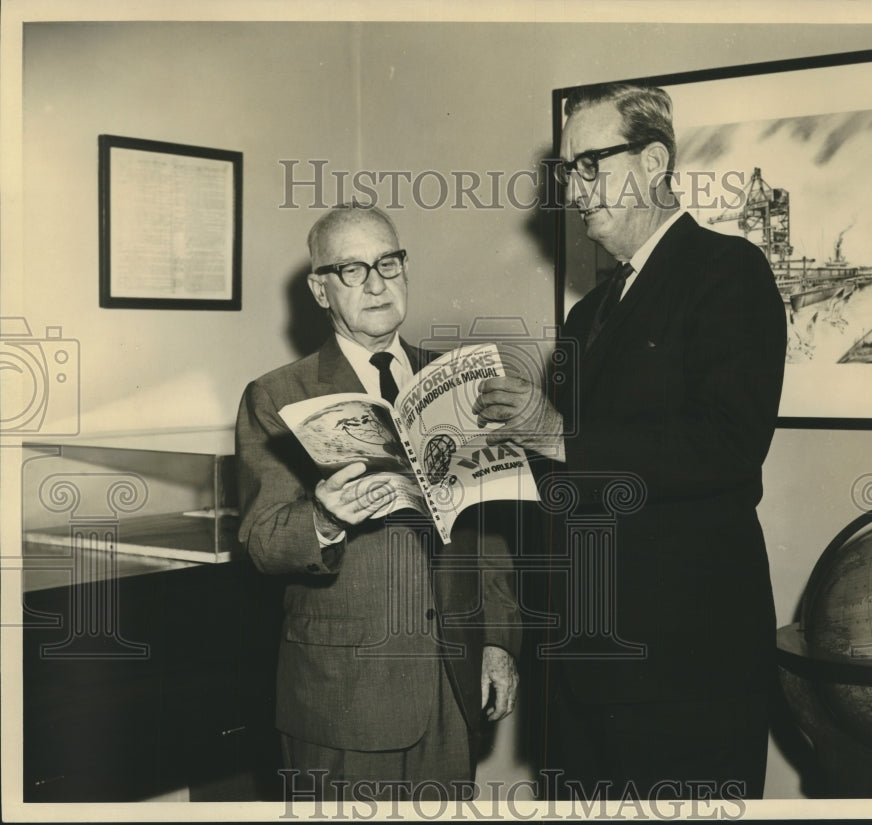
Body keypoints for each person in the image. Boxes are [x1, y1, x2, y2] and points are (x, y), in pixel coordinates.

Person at [473, 83, 786, 801]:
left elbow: (727, 443)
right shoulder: (588, 316)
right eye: (566, 170)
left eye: (591, 164)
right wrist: (482, 457)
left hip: (684, 670)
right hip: (583, 665)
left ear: (653, 161)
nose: (574, 189)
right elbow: (567, 473)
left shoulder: (728, 272)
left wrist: (552, 428)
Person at [237, 204, 520, 801]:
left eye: (388, 262)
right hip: (343, 694)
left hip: (451, 681)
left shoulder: (452, 383)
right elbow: (262, 541)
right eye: (352, 269)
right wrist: (324, 516)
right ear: (320, 289)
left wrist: (498, 640)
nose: (376, 283)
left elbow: (484, 526)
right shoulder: (277, 396)